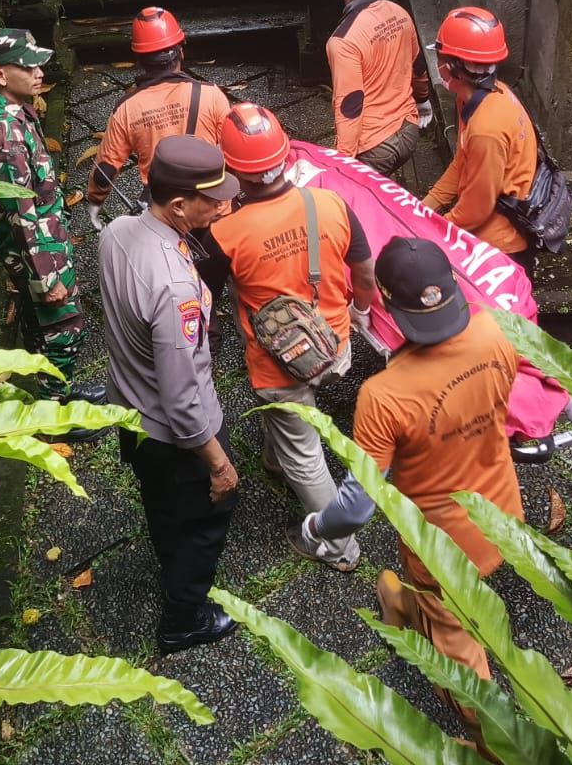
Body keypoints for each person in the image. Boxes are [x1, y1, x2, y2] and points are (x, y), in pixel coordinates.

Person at [293, 236, 522, 708]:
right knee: (443, 594)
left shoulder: (385, 394)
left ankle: (492, 743)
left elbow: (357, 505)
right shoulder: (499, 331)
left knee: (460, 647)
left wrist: (317, 525)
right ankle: (409, 609)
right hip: (502, 510)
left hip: (443, 545)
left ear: (388, 306)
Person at [200, 102, 376, 571]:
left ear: (233, 170)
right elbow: (364, 270)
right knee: (291, 428)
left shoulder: (224, 234)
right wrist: (359, 312)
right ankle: (274, 458)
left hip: (278, 364)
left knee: (306, 456)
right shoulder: (331, 203)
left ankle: (340, 547)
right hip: (334, 343)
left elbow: (206, 303)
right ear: (284, 155)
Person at [99, 136, 242, 654]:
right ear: (179, 205)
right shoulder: (176, 289)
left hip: (131, 414)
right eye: (213, 198)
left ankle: (168, 561)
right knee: (205, 521)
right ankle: (184, 617)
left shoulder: (116, 233)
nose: (223, 204)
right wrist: (218, 462)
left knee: (161, 506)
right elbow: (183, 397)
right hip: (173, 432)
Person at [0, 28, 107, 424]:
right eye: (27, 65)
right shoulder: (5, 137)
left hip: (40, 239)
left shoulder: (6, 108)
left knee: (39, 327)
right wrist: (46, 278)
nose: (38, 72)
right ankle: (54, 420)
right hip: (37, 248)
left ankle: (58, 392)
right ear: (1, 75)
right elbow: (21, 212)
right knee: (64, 330)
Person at [84, 7, 232, 229]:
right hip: (213, 204)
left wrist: (95, 203)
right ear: (180, 51)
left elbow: (106, 169)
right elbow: (235, 150)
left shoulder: (127, 109)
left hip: (165, 211)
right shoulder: (211, 94)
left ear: (139, 58)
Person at [421, 6, 539, 271]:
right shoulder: (480, 97)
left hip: (499, 249)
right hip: (488, 232)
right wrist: (425, 207)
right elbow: (462, 160)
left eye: (440, 56)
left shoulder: (487, 129)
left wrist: (434, 230)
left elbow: (477, 207)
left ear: (452, 66)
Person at [324, 0, 432, 176]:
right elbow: (418, 68)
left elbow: (350, 105)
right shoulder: (399, 13)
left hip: (374, 148)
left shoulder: (342, 41)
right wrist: (423, 101)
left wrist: (344, 164)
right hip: (409, 131)